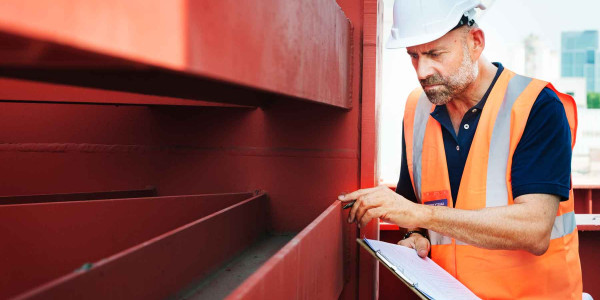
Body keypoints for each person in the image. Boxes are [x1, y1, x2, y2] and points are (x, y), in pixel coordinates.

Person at [338, 0, 583, 298]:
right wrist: (416, 236)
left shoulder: (537, 106)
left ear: (475, 42)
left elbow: (534, 229)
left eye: (435, 53)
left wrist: (420, 216)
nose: (423, 70)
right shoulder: (417, 109)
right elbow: (415, 209)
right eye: (413, 56)